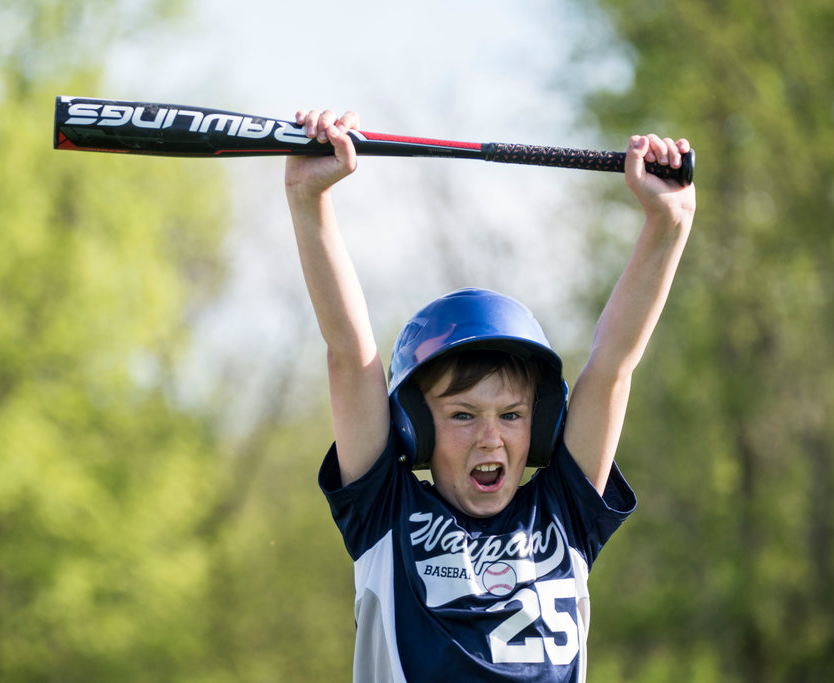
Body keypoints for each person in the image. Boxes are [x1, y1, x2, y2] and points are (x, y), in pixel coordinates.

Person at [285, 108, 695, 682]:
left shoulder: (563, 515)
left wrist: (668, 223)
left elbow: (613, 366)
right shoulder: (387, 514)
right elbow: (351, 358)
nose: (490, 437)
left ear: (540, 425)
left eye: (511, 414)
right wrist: (310, 201)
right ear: (414, 429)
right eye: (461, 415)